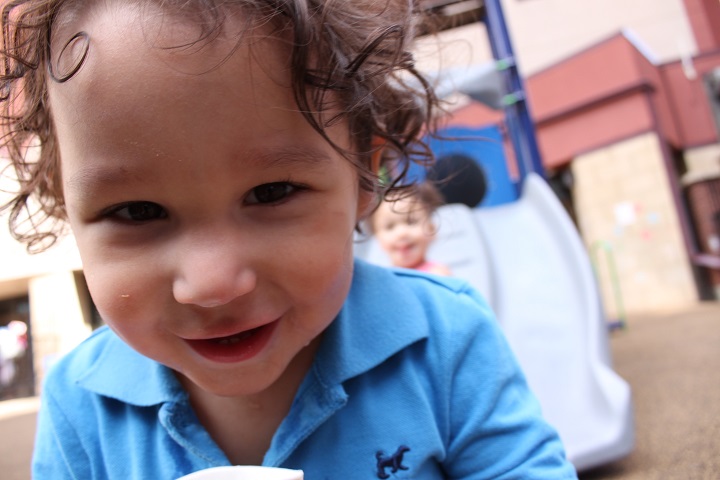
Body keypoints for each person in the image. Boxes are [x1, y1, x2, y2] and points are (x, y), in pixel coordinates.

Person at [0, 1, 578, 478]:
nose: (213, 283)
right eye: (136, 210)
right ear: (66, 205)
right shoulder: (81, 407)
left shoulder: (443, 342)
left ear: (361, 175)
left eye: (272, 192)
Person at [370, 182, 452, 276]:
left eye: (411, 222)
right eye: (390, 227)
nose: (401, 233)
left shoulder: (437, 276)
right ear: (378, 238)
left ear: (431, 229)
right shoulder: (383, 279)